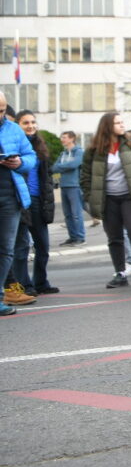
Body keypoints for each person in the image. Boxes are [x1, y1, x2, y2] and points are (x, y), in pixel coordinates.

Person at [83, 113, 131, 289]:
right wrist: (90, 196)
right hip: (108, 199)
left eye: (122, 122)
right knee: (114, 237)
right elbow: (85, 175)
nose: (122, 125)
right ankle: (120, 274)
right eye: (117, 123)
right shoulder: (94, 149)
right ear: (107, 126)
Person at [5, 111, 57, 298]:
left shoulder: (40, 147)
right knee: (21, 247)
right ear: (17, 125)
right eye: (25, 122)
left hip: (38, 201)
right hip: (20, 201)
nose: (31, 126)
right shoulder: (13, 144)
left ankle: (41, 282)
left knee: (43, 245)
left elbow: (47, 178)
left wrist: (48, 203)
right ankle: (24, 285)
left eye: (33, 122)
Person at [0, 92, 36, 315]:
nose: (0, 114)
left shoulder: (13, 129)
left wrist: (20, 161)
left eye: (2, 109)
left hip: (9, 198)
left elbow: (31, 156)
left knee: (6, 250)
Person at [52, 131, 85, 246]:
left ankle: (80, 237)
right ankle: (72, 237)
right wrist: (64, 167)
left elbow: (74, 165)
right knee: (68, 214)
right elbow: (54, 167)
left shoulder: (79, 152)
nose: (62, 139)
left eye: (64, 137)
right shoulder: (63, 154)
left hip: (74, 186)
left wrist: (62, 167)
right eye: (62, 137)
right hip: (64, 186)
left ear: (72, 139)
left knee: (76, 214)